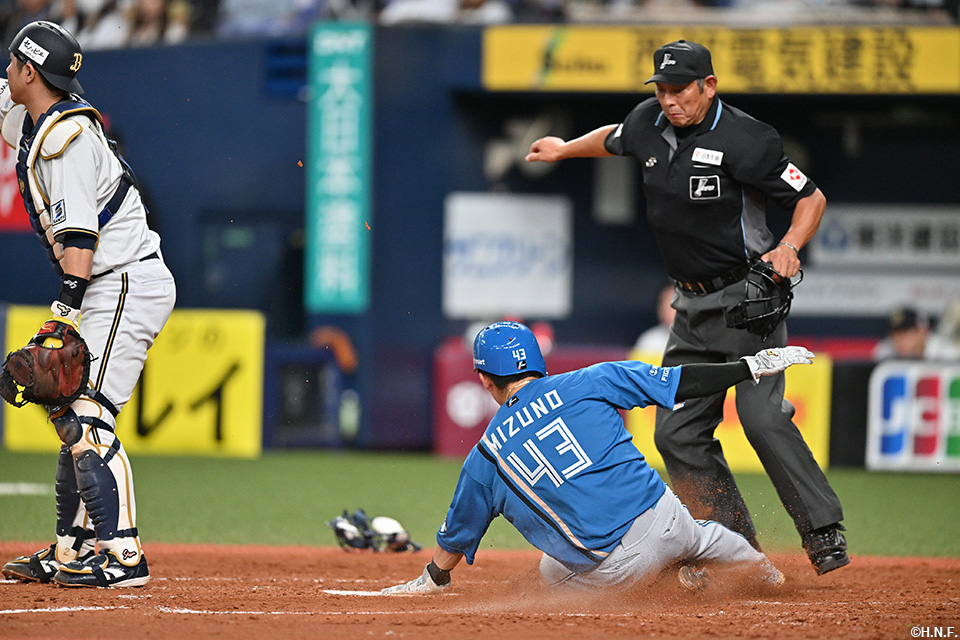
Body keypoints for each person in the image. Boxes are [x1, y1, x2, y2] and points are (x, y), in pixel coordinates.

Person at [525, 39, 848, 575]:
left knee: (761, 415)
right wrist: (563, 148)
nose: (670, 100)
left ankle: (822, 531)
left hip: (747, 298)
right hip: (689, 306)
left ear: (709, 86)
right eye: (663, 89)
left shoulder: (748, 139)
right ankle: (736, 548)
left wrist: (788, 246)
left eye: (680, 90)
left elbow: (810, 198)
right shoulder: (648, 121)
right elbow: (615, 139)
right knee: (675, 432)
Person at [383, 321, 815, 594]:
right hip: (668, 519)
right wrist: (750, 366)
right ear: (538, 362)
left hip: (620, 569)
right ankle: (766, 576)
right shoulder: (592, 378)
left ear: (483, 379)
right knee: (705, 536)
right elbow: (680, 382)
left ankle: (667, 579)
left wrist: (433, 578)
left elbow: (455, 539)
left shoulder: (485, 456)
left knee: (551, 572)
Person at [0, 21, 175, 587]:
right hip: (113, 281)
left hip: (121, 280)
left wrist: (64, 313)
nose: (7, 73)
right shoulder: (38, 115)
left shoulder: (64, 142)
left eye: (13, 65)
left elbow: (79, 239)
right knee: (70, 410)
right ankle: (71, 551)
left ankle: (124, 556)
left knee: (87, 418)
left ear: (30, 72)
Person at [634, 280, 676, 355]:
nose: (667, 310)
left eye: (673, 305)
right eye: (664, 304)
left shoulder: (699, 340)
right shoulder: (650, 340)